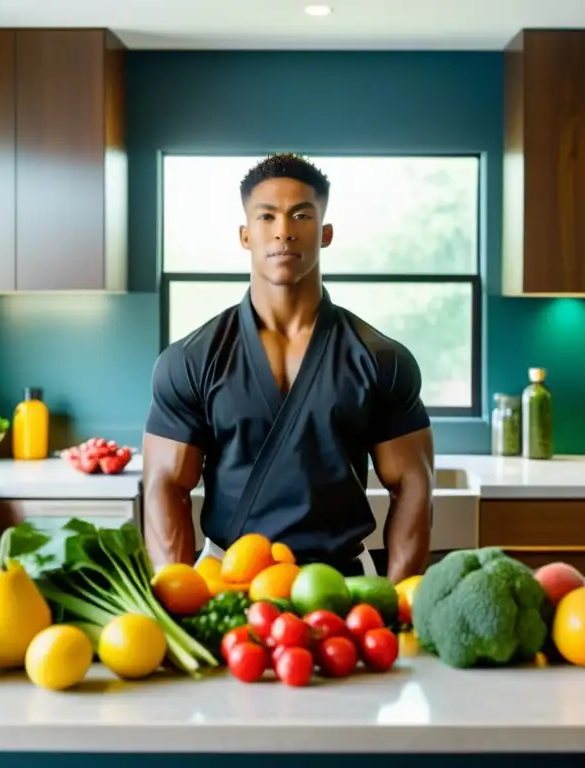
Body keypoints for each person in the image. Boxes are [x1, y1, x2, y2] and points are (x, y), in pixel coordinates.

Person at [142, 153, 435, 583]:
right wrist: (180, 601)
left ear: (326, 232)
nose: (283, 231)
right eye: (267, 217)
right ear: (245, 235)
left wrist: (394, 599)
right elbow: (165, 486)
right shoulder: (190, 360)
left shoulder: (381, 359)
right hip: (227, 582)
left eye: (301, 214)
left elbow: (413, 485)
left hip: (341, 586)